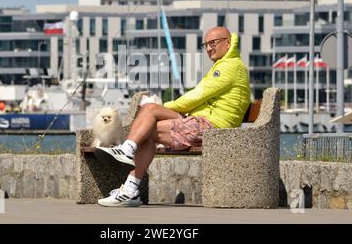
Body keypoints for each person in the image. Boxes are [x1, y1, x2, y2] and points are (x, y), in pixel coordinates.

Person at [94, 26, 251, 207]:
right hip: (201, 123)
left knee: (150, 114)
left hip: (212, 128)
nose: (208, 48)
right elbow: (201, 99)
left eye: (213, 43)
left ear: (228, 43)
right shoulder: (224, 65)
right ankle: (129, 187)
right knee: (147, 127)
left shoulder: (230, 67)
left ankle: (128, 166)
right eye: (205, 44)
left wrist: (162, 108)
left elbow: (197, 96)